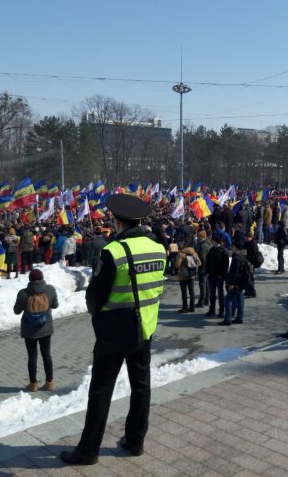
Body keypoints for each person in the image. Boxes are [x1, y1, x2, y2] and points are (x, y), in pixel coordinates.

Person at [60, 194, 167, 465]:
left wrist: (96, 313)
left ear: (117, 222)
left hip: (115, 330)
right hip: (146, 326)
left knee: (101, 389)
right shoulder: (158, 248)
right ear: (140, 221)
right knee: (141, 385)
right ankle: (135, 440)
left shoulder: (113, 252)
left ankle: (88, 450)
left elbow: (95, 296)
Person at [13, 268, 59, 392]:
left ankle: (33, 384)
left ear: (30, 280)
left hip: (29, 331)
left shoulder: (23, 293)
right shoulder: (50, 289)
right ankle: (49, 382)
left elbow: (16, 311)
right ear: (42, 278)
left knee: (32, 356)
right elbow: (55, 305)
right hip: (46, 328)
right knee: (46, 354)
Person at [219, 238, 248, 326]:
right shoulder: (243, 257)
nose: (231, 248)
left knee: (228, 300)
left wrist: (231, 283)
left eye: (232, 247)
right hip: (241, 283)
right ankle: (239, 317)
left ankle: (227, 319)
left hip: (236, 283)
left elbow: (235, 272)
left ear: (235, 248)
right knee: (240, 300)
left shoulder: (236, 258)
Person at [205, 233, 229, 317]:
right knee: (212, 294)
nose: (212, 242)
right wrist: (207, 271)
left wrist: (222, 275)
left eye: (213, 241)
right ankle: (212, 310)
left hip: (219, 276)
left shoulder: (223, 251)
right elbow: (207, 261)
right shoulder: (211, 250)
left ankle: (221, 310)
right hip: (211, 275)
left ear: (217, 242)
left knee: (220, 294)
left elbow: (225, 265)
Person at [175, 238, 201, 313]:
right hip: (192, 274)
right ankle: (192, 307)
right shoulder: (194, 253)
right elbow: (199, 263)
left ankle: (185, 308)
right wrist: (192, 266)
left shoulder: (181, 254)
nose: (180, 244)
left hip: (183, 275)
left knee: (184, 292)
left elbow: (177, 265)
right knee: (191, 291)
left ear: (185, 245)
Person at [194, 229, 212, 308]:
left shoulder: (203, 245)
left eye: (198, 236)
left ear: (201, 237)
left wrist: (200, 266)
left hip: (203, 268)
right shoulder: (208, 243)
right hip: (207, 267)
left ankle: (201, 302)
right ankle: (206, 301)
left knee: (202, 285)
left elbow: (203, 258)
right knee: (206, 285)